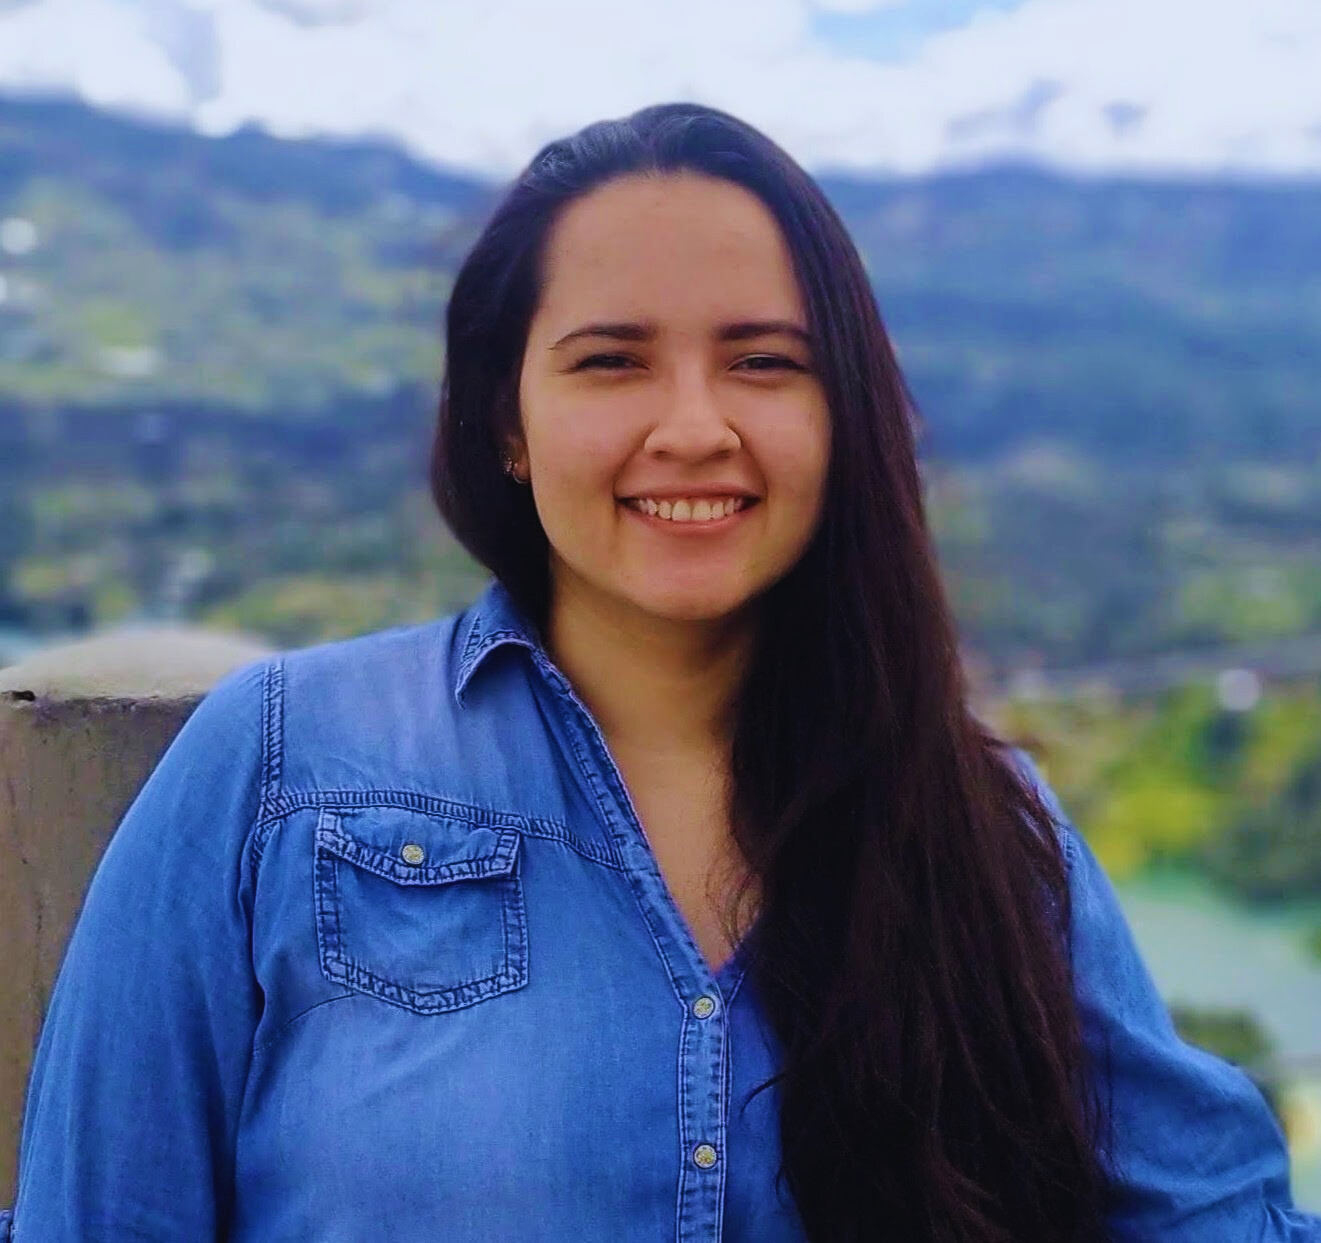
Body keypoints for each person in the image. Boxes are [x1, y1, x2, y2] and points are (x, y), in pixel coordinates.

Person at [5, 101, 1318, 1243]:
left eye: (763, 362)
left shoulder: (977, 832)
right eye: (611, 362)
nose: (693, 428)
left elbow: (1208, 1214)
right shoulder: (280, 766)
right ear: (508, 421)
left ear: (840, 416)